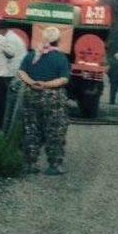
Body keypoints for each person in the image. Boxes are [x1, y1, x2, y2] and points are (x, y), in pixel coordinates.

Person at [18, 26, 70, 175]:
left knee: (31, 129)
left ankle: (30, 164)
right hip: (53, 99)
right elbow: (63, 79)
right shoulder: (61, 58)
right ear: (58, 40)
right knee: (55, 131)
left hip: (31, 96)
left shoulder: (32, 55)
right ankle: (54, 165)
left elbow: (21, 72)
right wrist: (46, 85)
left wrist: (32, 82)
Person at [1, 29, 29, 135]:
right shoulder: (13, 37)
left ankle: (6, 134)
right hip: (17, 74)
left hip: (13, 76)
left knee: (9, 107)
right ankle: (7, 134)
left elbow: (10, 54)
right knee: (11, 107)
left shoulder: (10, 39)